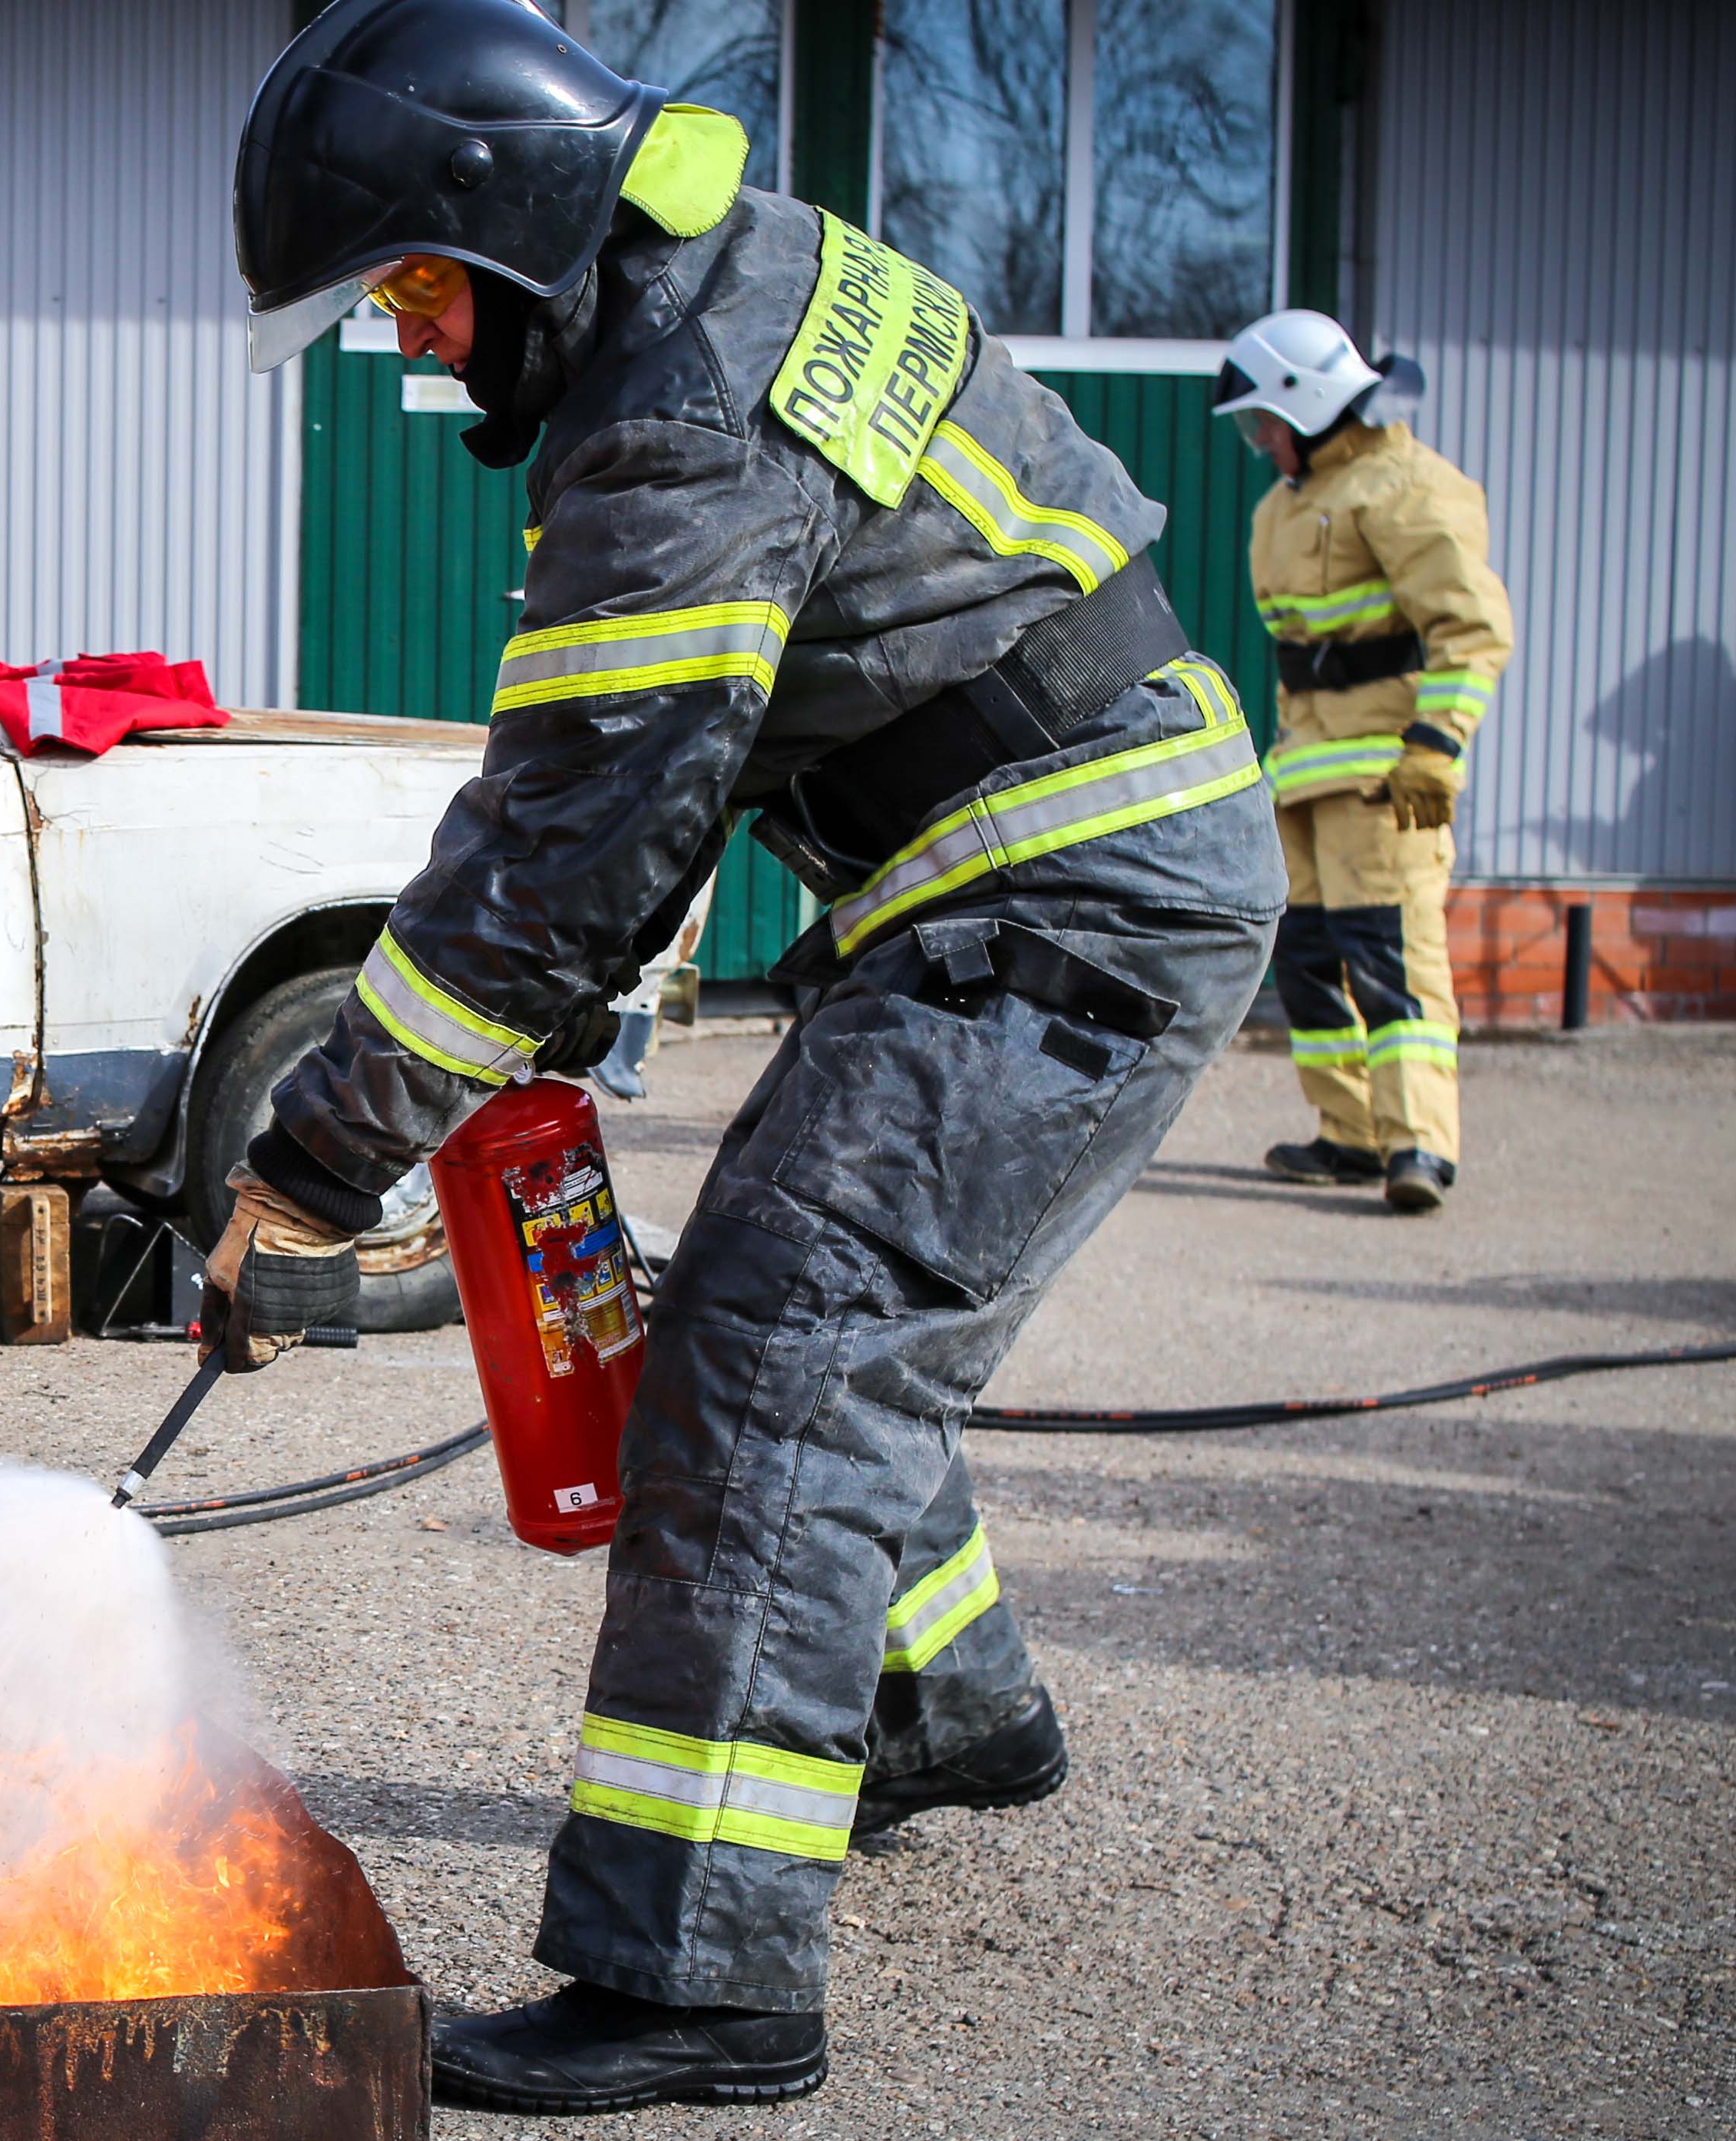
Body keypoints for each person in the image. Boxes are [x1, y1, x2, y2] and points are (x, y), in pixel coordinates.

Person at [210, 0, 1281, 2112]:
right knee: (804, 1306)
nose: (416, 346)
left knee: (773, 1365)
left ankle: (694, 1970)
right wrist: (555, 963)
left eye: (417, 289)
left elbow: (568, 837)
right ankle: (940, 1700)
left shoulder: (678, 413)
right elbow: (656, 775)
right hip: (1043, 848)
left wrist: (311, 1163)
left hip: (1068, 889)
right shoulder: (723, 278)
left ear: (513, 222)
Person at [1219, 309, 1515, 1211]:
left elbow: (1471, 630)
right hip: (1304, 775)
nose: (1261, 441)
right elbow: (1297, 657)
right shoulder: (1283, 508)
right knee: (1308, 961)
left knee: (1391, 958)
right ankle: (1349, 1134)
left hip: (1387, 779)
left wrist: (1436, 747)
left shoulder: (1407, 487)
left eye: (1267, 422)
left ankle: (1419, 1145)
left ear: (1310, 406)